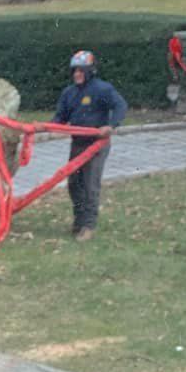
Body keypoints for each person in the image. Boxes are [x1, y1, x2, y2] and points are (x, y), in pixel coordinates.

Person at [54, 50, 127, 240]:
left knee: (89, 184)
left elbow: (121, 106)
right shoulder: (69, 93)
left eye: (81, 70)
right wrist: (44, 128)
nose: (77, 74)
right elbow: (60, 117)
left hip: (96, 144)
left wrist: (111, 125)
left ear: (90, 71)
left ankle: (88, 225)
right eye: (74, 71)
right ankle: (79, 221)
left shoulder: (102, 89)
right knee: (73, 184)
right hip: (77, 143)